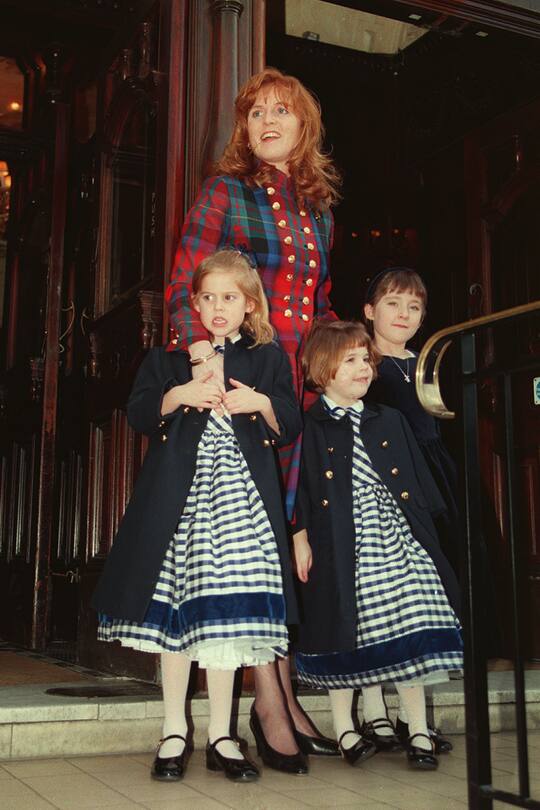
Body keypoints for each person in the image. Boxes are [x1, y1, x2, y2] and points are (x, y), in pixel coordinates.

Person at [165, 67, 342, 767]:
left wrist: (352, 355)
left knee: (290, 529)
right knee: (257, 532)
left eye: (282, 111)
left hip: (298, 388)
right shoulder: (225, 192)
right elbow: (186, 283)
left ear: (305, 126)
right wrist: (208, 365)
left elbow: (320, 301)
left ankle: (287, 687)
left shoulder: (320, 210)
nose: (267, 121)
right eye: (256, 113)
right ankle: (266, 694)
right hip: (245, 381)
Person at [92, 250, 303, 782]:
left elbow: (291, 423)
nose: (216, 307)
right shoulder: (166, 361)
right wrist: (178, 395)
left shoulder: (267, 359)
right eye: (207, 297)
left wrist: (260, 404)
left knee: (224, 619)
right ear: (194, 303)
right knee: (175, 613)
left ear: (249, 305)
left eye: (229, 298)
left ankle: (221, 736)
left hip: (240, 510)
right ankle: (173, 730)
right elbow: (139, 411)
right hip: (178, 506)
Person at [292, 320, 463, 771]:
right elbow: (301, 490)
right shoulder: (309, 426)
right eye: (351, 360)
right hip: (341, 545)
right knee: (344, 629)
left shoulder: (389, 418)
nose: (364, 367)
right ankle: (346, 726)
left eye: (366, 359)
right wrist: (300, 536)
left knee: (410, 625)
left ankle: (419, 730)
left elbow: (417, 485)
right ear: (324, 369)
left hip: (395, 540)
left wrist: (427, 535)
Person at [363, 268, 460, 752]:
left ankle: (411, 715)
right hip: (385, 484)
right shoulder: (365, 363)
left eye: (414, 307)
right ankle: (372, 706)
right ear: (369, 312)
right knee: (379, 593)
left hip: (429, 481)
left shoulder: (425, 361)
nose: (404, 315)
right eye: (393, 304)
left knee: (417, 596)